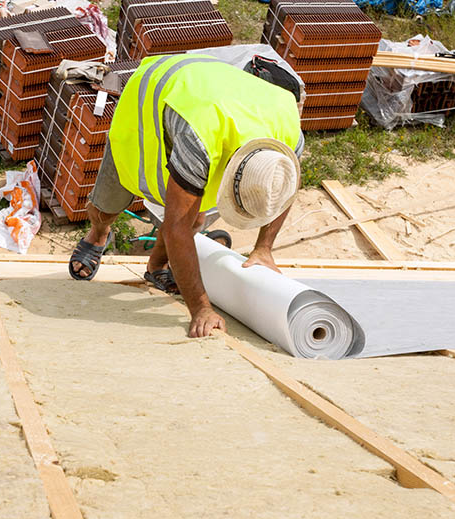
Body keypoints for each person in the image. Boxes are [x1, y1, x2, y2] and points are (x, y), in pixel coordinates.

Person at [68, 52, 303, 338]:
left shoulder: (289, 137)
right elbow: (177, 227)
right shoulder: (201, 138)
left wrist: (264, 248)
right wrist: (201, 308)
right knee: (111, 205)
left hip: (209, 103)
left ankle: (156, 266)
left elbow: (283, 190)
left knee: (194, 217)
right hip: (152, 100)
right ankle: (98, 233)